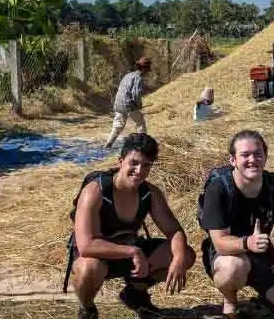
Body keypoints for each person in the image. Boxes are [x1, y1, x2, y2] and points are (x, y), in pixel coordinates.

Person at [68, 133, 196, 319]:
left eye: (146, 166)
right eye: (134, 163)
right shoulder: (96, 191)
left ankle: (135, 293)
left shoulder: (150, 193)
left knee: (187, 255)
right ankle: (87, 309)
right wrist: (133, 252)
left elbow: (173, 230)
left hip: (130, 251)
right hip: (99, 254)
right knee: (89, 268)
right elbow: (86, 245)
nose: (139, 170)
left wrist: (178, 258)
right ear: (121, 161)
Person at [198, 130, 274, 318]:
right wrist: (247, 243)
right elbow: (219, 242)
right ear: (233, 160)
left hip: (262, 253)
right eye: (245, 155)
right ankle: (230, 302)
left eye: (258, 154)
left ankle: (259, 305)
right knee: (232, 269)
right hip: (228, 254)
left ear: (265, 157)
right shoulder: (219, 189)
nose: (252, 159)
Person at [104, 57, 151, 149]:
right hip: (129, 104)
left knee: (118, 125)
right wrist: (138, 105)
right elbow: (135, 93)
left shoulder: (128, 75)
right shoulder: (138, 78)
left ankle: (108, 144)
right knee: (140, 122)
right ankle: (143, 144)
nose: (148, 72)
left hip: (118, 103)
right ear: (144, 68)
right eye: (147, 69)